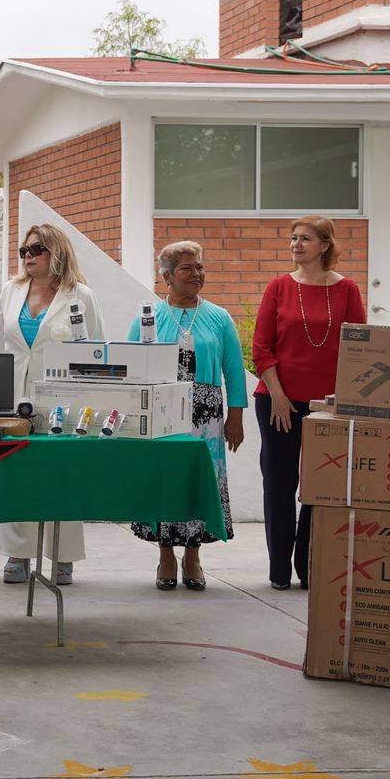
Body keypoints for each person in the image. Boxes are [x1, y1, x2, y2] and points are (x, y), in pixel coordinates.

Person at [253, 215, 366, 591]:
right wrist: (280, 397)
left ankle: (309, 567)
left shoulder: (347, 290)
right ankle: (279, 570)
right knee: (279, 485)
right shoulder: (279, 288)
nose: (296, 244)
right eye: (293, 238)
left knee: (320, 489)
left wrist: (340, 403)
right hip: (277, 401)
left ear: (325, 245)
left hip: (329, 406)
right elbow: (261, 348)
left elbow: (359, 348)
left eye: (305, 238)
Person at [129, 241, 247, 592]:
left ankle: (193, 556)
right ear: (167, 276)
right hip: (161, 411)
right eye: (187, 268)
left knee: (201, 480)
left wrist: (236, 417)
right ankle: (166, 554)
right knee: (165, 479)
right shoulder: (148, 315)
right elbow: (131, 365)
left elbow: (234, 370)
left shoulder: (219, 317)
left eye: (199, 267)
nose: (196, 274)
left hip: (207, 414)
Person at [0, 222, 103, 586]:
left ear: (56, 253)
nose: (28, 257)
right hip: (14, 399)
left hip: (62, 401)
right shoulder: (11, 291)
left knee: (61, 473)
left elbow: (96, 352)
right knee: (17, 473)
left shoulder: (80, 296)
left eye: (36, 250)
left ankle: (63, 554)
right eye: (24, 251)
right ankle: (17, 552)